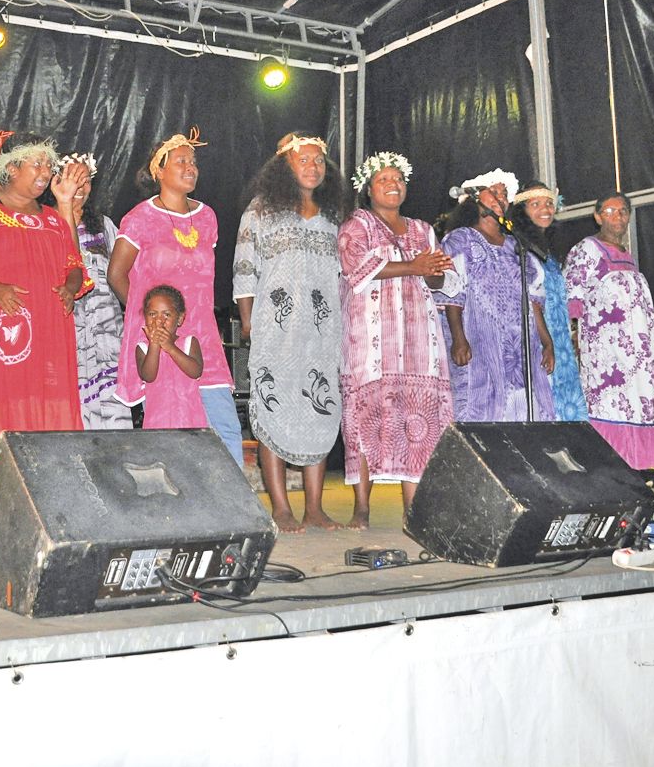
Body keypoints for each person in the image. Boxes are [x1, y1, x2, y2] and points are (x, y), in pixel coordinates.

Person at [0, 132, 88, 519]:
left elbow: (75, 266)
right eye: (36, 164)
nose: (45, 172)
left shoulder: (55, 221)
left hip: (50, 332)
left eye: (47, 164)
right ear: (9, 168)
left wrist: (71, 289)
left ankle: (50, 504)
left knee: (47, 406)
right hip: (0, 329)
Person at [337, 152, 457, 529]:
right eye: (383, 180)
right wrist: (415, 266)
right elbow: (357, 270)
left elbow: (439, 281)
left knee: (418, 420)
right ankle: (362, 506)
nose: (393, 185)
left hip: (420, 338)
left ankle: (413, 508)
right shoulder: (356, 226)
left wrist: (433, 272)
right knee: (366, 418)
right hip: (372, 339)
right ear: (368, 189)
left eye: (398, 180)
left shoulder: (422, 229)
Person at [108, 129, 243, 463]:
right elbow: (116, 274)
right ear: (159, 171)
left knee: (223, 425)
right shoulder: (140, 219)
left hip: (203, 334)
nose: (190, 167)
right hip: (163, 338)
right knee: (171, 428)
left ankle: (237, 511)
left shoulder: (207, 217)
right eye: (181, 160)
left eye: (193, 161)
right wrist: (151, 323)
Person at [235, 132, 344, 533]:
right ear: (286, 165)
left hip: (321, 329)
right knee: (274, 407)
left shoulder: (334, 215)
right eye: (303, 160)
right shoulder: (261, 210)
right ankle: (281, 506)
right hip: (275, 327)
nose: (312, 166)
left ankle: (314, 507)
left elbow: (341, 275)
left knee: (320, 408)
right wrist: (248, 322)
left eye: (318, 160)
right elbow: (244, 269)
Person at [562, 191, 654, 469]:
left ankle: (633, 467)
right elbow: (572, 294)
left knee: (637, 403)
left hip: (636, 353)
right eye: (610, 211)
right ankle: (607, 467)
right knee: (608, 405)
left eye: (623, 211)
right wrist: (573, 335)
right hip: (606, 352)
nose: (618, 217)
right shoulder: (587, 248)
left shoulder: (627, 255)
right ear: (597, 216)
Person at [438, 170, 556, 422]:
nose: (501, 197)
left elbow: (533, 300)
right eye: (494, 191)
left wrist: (547, 342)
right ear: (473, 197)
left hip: (520, 346)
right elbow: (452, 293)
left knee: (525, 412)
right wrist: (459, 338)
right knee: (482, 415)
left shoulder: (517, 245)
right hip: (479, 343)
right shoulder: (460, 240)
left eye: (504, 193)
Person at [51, 152, 132, 430]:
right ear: (56, 182)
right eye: (72, 179)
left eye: (85, 181)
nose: (79, 188)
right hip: (67, 332)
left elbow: (124, 275)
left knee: (114, 421)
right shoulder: (47, 223)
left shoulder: (105, 227)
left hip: (107, 337)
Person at [511, 182, 588, 422]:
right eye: (535, 204)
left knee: (568, 410)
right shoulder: (519, 249)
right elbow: (530, 300)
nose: (545, 209)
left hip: (559, 339)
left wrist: (570, 334)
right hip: (540, 339)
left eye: (548, 204)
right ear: (522, 211)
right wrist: (546, 342)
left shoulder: (547, 252)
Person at [135, 285, 206, 429]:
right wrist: (154, 345)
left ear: (179, 319)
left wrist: (171, 348)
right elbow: (148, 376)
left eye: (166, 314)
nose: (159, 320)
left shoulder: (189, 342)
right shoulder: (142, 348)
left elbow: (196, 371)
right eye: (152, 314)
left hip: (190, 421)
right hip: (157, 422)